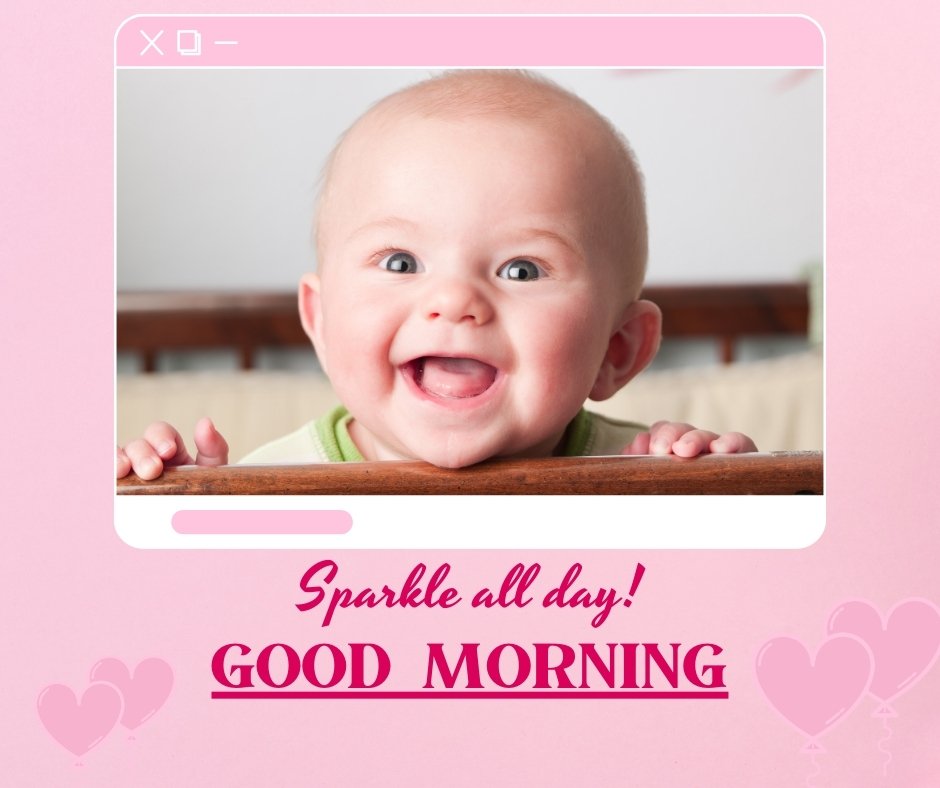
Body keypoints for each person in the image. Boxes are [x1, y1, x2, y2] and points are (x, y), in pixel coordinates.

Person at [116, 70, 756, 480]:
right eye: (400, 263)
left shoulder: (644, 478)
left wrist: (726, 498)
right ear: (322, 319)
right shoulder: (270, 486)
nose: (454, 300)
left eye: (522, 268)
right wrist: (190, 521)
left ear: (616, 351)